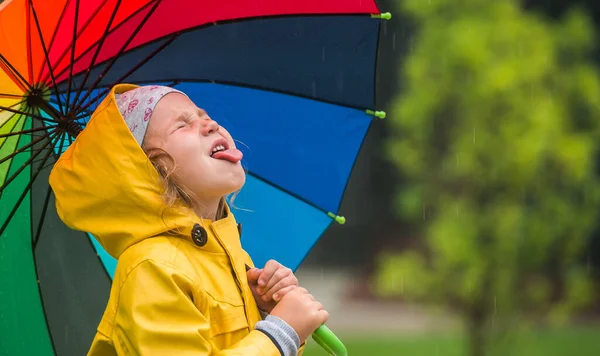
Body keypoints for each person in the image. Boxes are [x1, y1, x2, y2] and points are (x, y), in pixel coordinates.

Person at [49, 84, 328, 355]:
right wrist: (280, 333)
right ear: (148, 169)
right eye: (182, 125)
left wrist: (264, 311)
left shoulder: (230, 257)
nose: (211, 124)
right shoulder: (153, 268)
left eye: (205, 116)